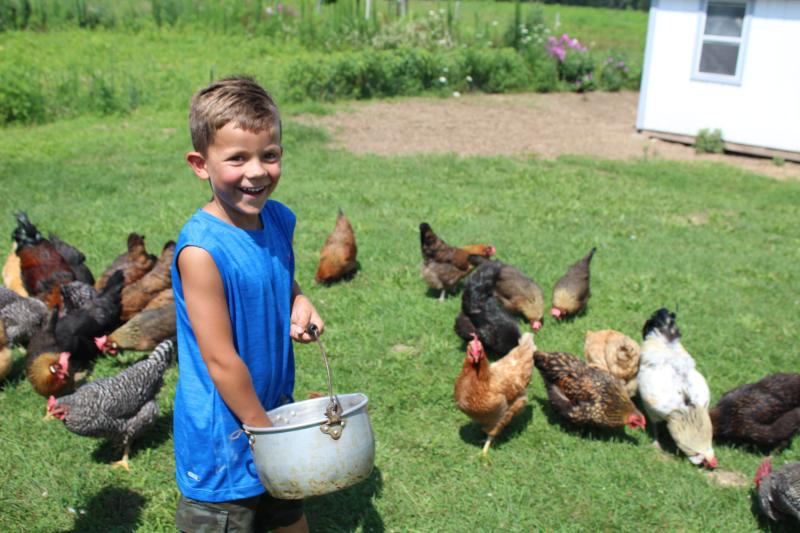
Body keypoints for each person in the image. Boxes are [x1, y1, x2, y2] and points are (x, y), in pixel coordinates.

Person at [172, 76, 323, 533]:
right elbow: (219, 359)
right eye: (237, 158)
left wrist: (299, 299)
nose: (256, 172)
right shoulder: (201, 252)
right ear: (201, 164)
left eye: (269, 155)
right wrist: (265, 435)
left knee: (285, 513)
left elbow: (278, 275)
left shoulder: (277, 219)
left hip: (273, 410)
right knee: (227, 520)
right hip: (225, 436)